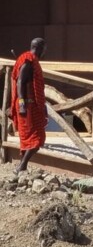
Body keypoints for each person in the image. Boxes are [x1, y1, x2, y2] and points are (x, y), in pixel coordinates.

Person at [10, 37, 47, 174]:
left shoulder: (32, 61)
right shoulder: (28, 61)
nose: (45, 52)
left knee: (30, 138)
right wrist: (21, 103)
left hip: (33, 106)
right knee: (37, 139)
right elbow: (20, 82)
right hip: (27, 106)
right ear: (40, 48)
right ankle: (22, 165)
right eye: (45, 49)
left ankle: (21, 166)